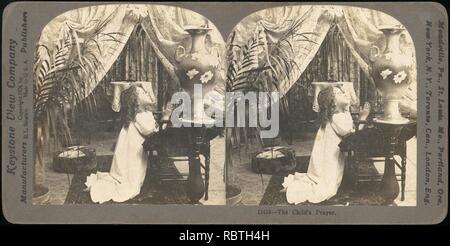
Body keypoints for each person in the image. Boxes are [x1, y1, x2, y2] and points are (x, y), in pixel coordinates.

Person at [281, 86, 370, 204]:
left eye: (342, 91)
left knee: (328, 180)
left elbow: (350, 128)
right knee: (327, 188)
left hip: (326, 154)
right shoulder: (337, 117)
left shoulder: (339, 115)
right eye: (339, 93)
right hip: (329, 158)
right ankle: (294, 189)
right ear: (333, 103)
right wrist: (363, 117)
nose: (344, 93)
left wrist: (348, 110)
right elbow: (351, 136)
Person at [85, 85, 159, 204]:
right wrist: (162, 119)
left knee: (129, 167)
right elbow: (149, 130)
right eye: (143, 93)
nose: (147, 94)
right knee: (132, 172)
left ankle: (124, 176)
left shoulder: (140, 113)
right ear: (137, 101)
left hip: (129, 145)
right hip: (133, 147)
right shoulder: (140, 115)